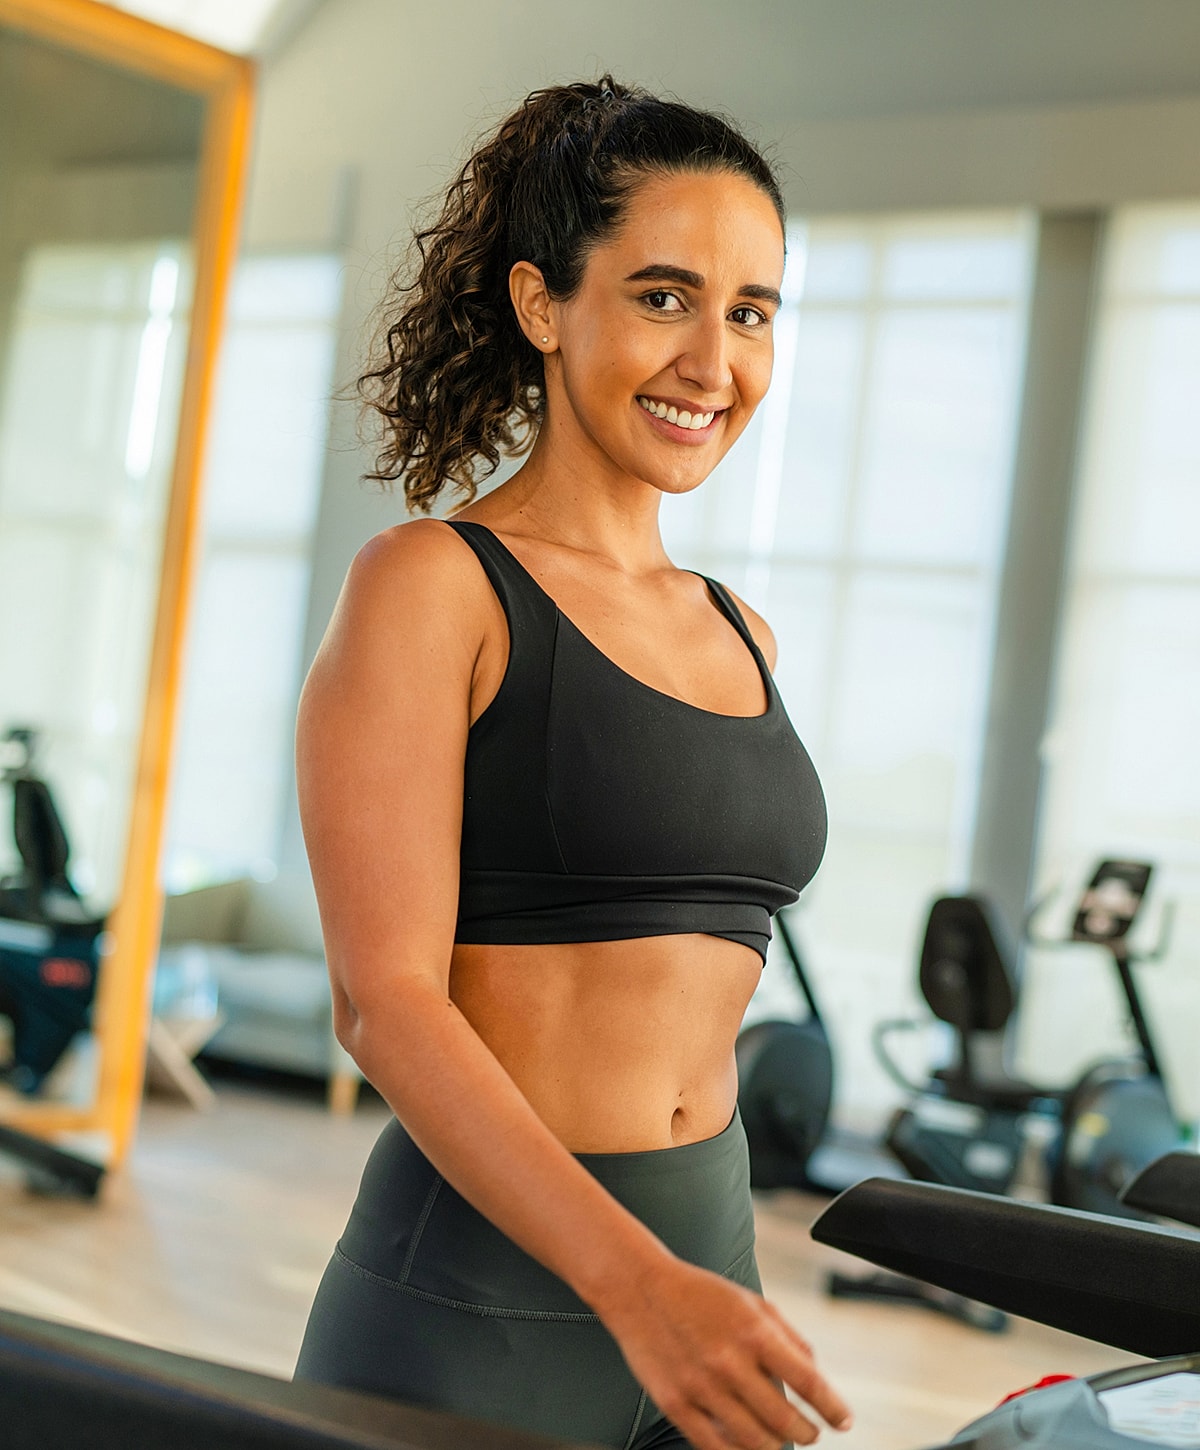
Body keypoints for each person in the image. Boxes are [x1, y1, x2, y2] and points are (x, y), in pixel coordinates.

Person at [293, 76, 852, 1450]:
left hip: (709, 1275)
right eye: (664, 297)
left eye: (751, 311)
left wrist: (683, 1287)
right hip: (481, 1305)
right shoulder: (434, 585)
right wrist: (632, 1284)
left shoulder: (743, 629)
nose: (713, 362)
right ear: (544, 304)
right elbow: (387, 1005)